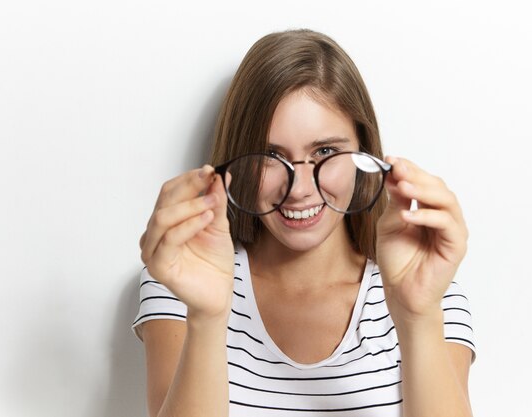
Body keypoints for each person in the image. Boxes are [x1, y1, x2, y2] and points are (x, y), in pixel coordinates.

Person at [133, 29, 475, 417]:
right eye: (269, 155)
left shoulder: (431, 293)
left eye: (325, 151)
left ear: (364, 152)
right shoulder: (182, 281)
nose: (299, 189)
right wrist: (208, 318)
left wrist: (418, 317)